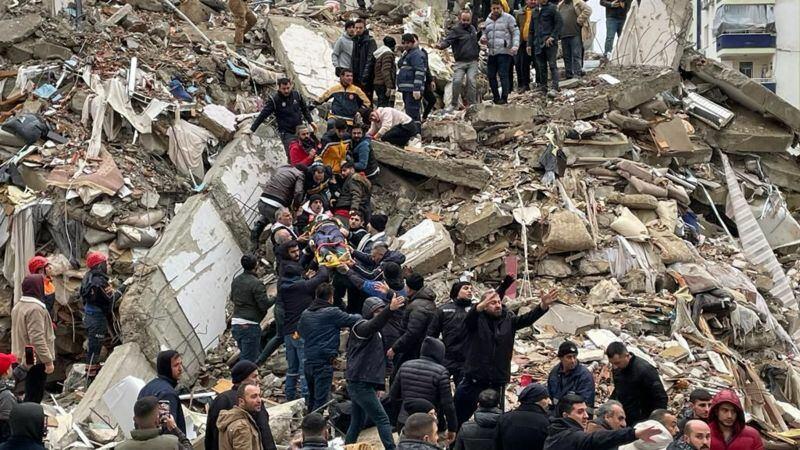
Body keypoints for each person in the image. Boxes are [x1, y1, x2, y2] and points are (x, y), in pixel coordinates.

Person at [454, 282, 555, 428]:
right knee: (460, 417)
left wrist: (542, 306)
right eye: (492, 303)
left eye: (499, 302)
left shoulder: (509, 319)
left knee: (495, 422)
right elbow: (469, 319)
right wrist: (479, 306)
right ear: (484, 305)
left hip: (496, 380)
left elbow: (527, 319)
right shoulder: (476, 320)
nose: (498, 305)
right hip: (474, 379)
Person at [343, 295, 406, 450]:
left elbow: (380, 356)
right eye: (377, 311)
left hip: (362, 381)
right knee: (382, 419)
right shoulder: (360, 327)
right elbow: (375, 323)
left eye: (381, 310)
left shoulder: (378, 333)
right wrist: (389, 309)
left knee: (357, 422)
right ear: (368, 312)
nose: (380, 314)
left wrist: (379, 384)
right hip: (359, 382)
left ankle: (347, 447)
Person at [278, 241, 330, 400]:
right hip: (299, 332)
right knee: (304, 367)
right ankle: (307, 398)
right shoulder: (300, 286)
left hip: (289, 332)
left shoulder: (284, 283)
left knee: (292, 368)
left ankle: (289, 396)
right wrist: (322, 260)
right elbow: (323, 276)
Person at [390, 337, 457, 441]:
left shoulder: (405, 366)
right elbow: (448, 405)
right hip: (429, 425)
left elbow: (393, 396)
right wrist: (452, 428)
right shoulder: (441, 372)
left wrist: (399, 416)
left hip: (405, 421)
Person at [544, 394, 660, 450]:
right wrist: (634, 433)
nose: (586, 416)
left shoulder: (556, 432)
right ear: (566, 415)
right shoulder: (571, 436)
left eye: (585, 411)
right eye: (580, 412)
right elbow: (596, 438)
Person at [206, 361, 276, 450]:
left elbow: (265, 431)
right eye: (254, 376)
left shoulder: (255, 400)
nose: (258, 380)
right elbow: (214, 434)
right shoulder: (226, 401)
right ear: (242, 379)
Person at [11, 274, 55, 404]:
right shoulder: (35, 309)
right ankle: (29, 416)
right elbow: (36, 339)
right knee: (34, 394)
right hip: (33, 357)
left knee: (23, 390)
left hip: (22, 353)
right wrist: (48, 361)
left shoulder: (18, 306)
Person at [81, 251, 125, 379]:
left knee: (94, 346)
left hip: (90, 315)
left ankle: (92, 372)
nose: (108, 265)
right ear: (100, 265)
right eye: (105, 263)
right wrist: (123, 287)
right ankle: (90, 377)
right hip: (96, 319)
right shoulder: (98, 282)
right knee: (95, 347)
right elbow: (111, 300)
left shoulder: (89, 276)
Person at [606, 342, 668, 426]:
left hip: (643, 419)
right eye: (612, 363)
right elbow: (619, 389)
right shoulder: (618, 369)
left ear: (627, 356)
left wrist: (656, 422)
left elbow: (661, 398)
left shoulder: (645, 370)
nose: (615, 367)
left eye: (617, 363)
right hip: (625, 417)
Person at [250, 78, 316, 153]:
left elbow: (305, 109)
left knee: (306, 152)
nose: (286, 91)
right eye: (284, 89)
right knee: (293, 153)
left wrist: (311, 121)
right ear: (279, 87)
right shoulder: (275, 100)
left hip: (300, 131)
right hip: (286, 133)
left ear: (291, 86)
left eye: (288, 88)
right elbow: (263, 115)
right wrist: (252, 129)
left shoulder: (297, 95)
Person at [426, 281, 473, 385]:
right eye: (466, 288)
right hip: (447, 356)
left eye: (471, 289)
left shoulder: (475, 310)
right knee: (439, 385)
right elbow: (432, 334)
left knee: (462, 389)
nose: (469, 291)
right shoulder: (443, 310)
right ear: (457, 292)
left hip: (467, 359)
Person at [388, 274, 437, 373]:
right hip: (419, 348)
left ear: (410, 289)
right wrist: (388, 292)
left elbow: (412, 333)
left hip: (413, 350)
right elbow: (405, 301)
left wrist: (395, 348)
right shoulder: (424, 300)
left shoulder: (418, 308)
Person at [251, 164, 306, 246]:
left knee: (266, 217)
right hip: (276, 205)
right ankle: (268, 245)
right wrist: (296, 206)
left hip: (262, 201)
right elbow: (298, 192)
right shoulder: (300, 174)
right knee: (280, 227)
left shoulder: (282, 168)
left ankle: (254, 239)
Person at [230, 254, 272, 363]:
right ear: (256, 265)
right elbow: (264, 305)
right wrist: (275, 298)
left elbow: (232, 298)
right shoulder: (256, 283)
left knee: (248, 356)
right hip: (249, 326)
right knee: (249, 361)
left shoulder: (236, 280)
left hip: (236, 324)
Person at [438, 10, 480, 108]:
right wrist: (441, 46)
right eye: (463, 20)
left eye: (468, 20)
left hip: (473, 61)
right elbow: (448, 41)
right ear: (460, 19)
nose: (465, 22)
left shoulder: (473, 29)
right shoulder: (455, 30)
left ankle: (472, 104)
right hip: (460, 62)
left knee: (471, 81)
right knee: (457, 81)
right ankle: (454, 104)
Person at [117, 396, 192, 450]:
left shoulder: (120, 448)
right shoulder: (171, 443)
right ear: (157, 420)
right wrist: (174, 428)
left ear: (134, 419)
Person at [481, 1, 519, 104]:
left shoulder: (509, 18)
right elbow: (485, 33)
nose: (496, 10)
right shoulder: (488, 20)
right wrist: (483, 38)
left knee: (503, 74)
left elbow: (515, 32)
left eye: (498, 8)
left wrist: (515, 46)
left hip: (505, 51)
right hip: (492, 52)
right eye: (494, 8)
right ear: (491, 8)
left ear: (501, 8)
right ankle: (496, 97)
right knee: (491, 75)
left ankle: (504, 98)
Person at [138, 350, 186, 433]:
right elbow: (168, 430)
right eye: (176, 365)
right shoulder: (167, 394)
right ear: (166, 368)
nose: (180, 369)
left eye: (181, 364)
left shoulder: (147, 388)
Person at [495, 383, 550, 450]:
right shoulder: (546, 422)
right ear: (537, 400)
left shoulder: (505, 418)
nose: (549, 402)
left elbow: (497, 444)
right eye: (546, 398)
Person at [547, 340, 595, 413]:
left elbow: (586, 404)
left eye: (574, 357)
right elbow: (550, 397)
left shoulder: (584, 376)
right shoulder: (555, 373)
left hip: (576, 416)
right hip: (556, 414)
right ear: (561, 358)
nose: (573, 360)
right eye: (569, 357)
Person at [528, 0, 562, 97]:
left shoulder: (552, 8)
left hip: (549, 43)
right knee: (541, 67)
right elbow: (531, 30)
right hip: (538, 43)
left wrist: (553, 37)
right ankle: (543, 88)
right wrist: (529, 44)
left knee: (552, 65)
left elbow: (559, 23)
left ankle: (555, 87)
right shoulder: (534, 11)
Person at [217, 381, 264, 450]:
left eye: (259, 396)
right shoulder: (242, 427)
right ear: (241, 401)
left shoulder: (229, 418)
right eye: (254, 397)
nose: (259, 400)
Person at [397, 33, 427, 123]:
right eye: (403, 43)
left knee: (412, 113)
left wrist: (416, 89)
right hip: (407, 89)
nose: (405, 45)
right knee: (410, 112)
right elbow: (400, 64)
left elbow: (419, 72)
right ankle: (415, 129)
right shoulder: (408, 54)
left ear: (413, 43)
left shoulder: (416, 54)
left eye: (408, 43)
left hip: (412, 89)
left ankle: (415, 130)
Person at [557, 0, 590, 78]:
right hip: (564, 34)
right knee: (566, 56)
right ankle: (569, 74)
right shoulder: (560, 5)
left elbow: (588, 10)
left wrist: (580, 19)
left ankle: (577, 73)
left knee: (576, 54)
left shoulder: (577, 2)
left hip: (575, 33)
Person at [351, 18, 377, 99]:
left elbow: (370, 60)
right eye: (356, 28)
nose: (358, 30)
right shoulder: (355, 40)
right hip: (356, 76)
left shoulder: (370, 41)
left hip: (366, 78)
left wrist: (365, 76)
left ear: (365, 28)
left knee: (366, 101)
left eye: (360, 28)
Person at [514, 0, 536, 92]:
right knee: (523, 64)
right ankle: (525, 85)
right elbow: (516, 27)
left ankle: (540, 83)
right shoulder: (520, 13)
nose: (533, 1)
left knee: (538, 63)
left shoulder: (539, 11)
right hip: (523, 42)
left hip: (535, 41)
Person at [373, 37, 397, 107]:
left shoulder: (380, 53)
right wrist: (389, 86)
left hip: (378, 83)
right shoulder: (387, 54)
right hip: (383, 84)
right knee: (383, 106)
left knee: (381, 104)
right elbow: (386, 70)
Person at [0, 354, 17, 443]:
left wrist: (24, 367)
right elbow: (7, 422)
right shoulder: (6, 395)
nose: (12, 368)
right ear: (7, 371)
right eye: (10, 366)